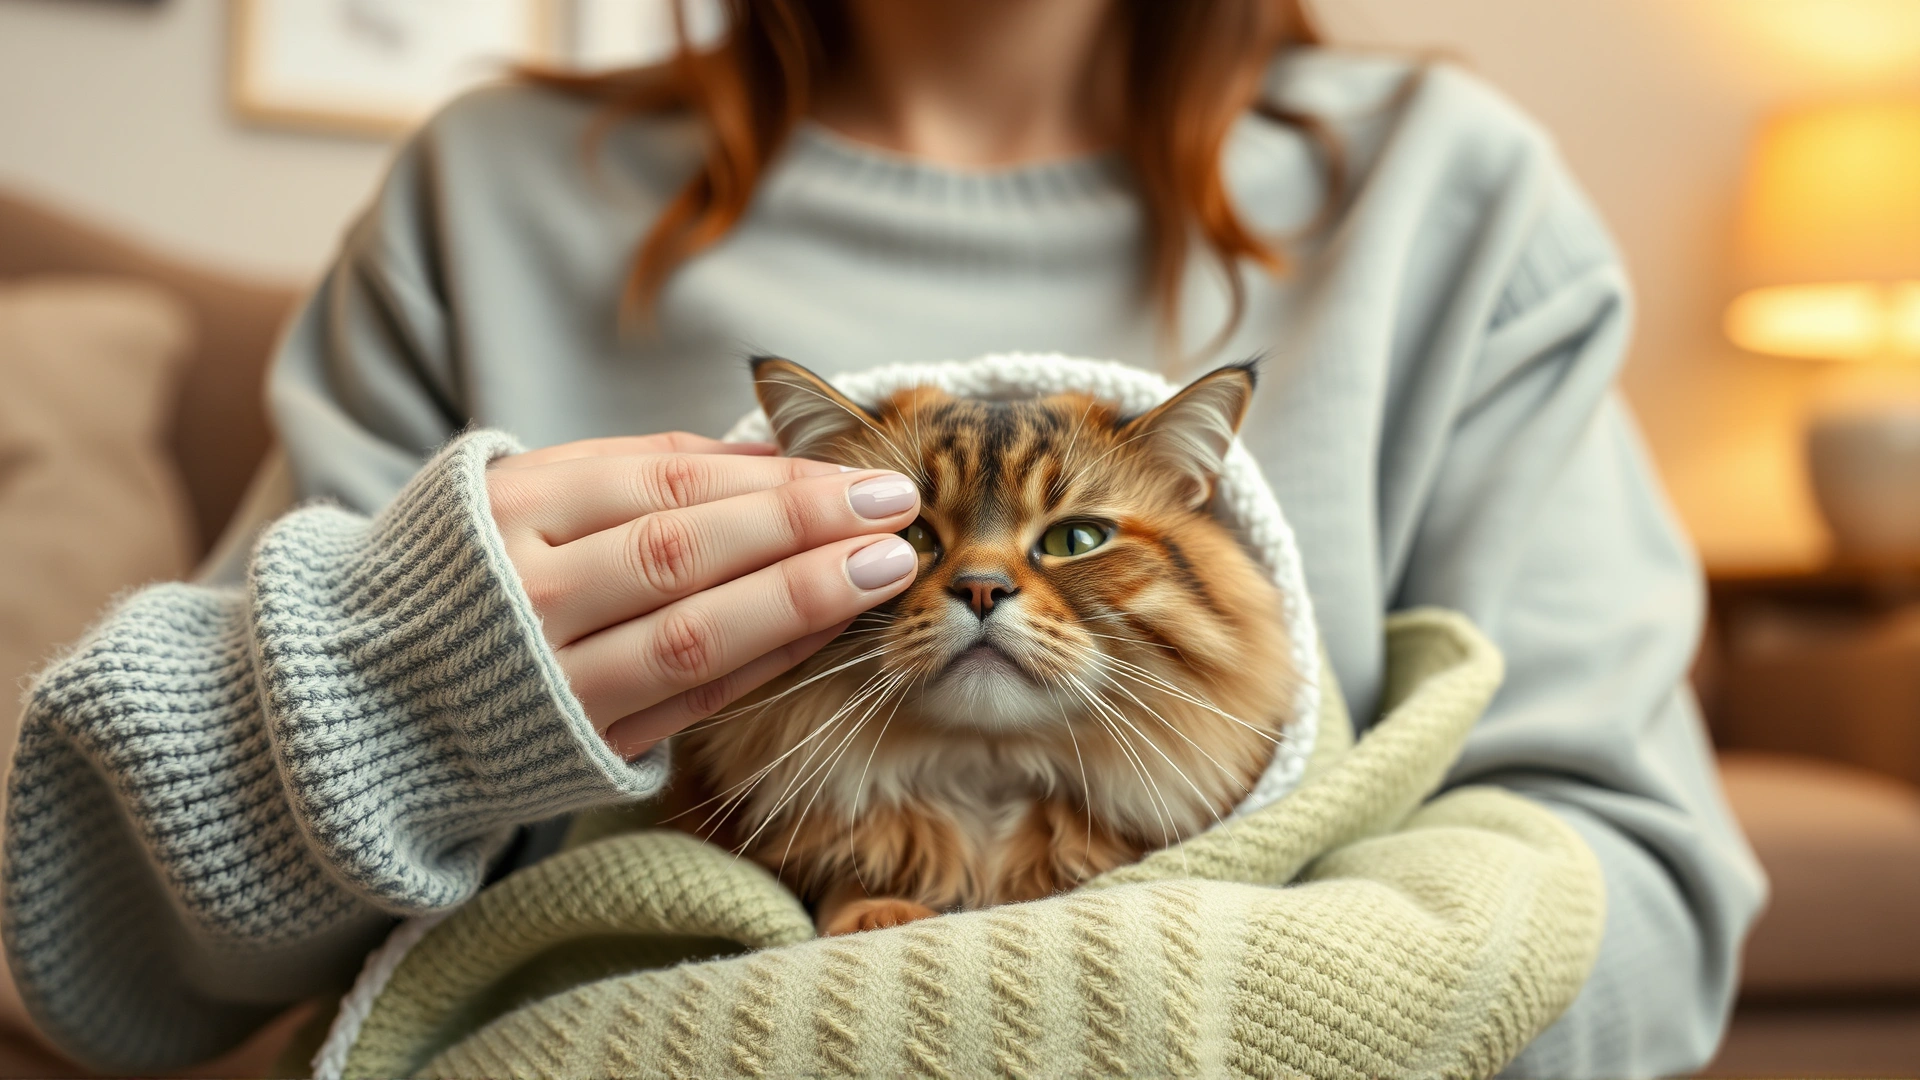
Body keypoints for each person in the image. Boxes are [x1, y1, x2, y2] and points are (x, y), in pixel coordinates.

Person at [1, 1, 1764, 1076]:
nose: (983, 584)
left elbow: (1644, 901)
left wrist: (1120, 1024)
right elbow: (96, 976)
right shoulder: (483, 197)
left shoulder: (1462, 197)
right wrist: (393, 693)